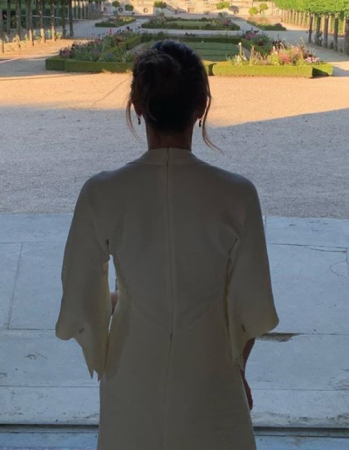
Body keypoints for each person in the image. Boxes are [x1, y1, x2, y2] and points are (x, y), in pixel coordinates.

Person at [54, 40, 279, 450]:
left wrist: (123, 301)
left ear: (138, 107)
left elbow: (80, 299)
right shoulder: (237, 195)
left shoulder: (102, 192)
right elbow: (251, 307)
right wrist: (238, 374)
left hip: (132, 369)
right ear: (202, 106)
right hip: (210, 371)